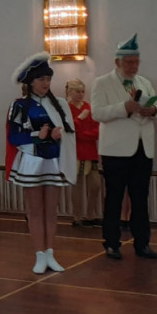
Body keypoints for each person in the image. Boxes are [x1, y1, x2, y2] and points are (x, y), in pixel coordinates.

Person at [91, 34, 157, 260]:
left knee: (141, 198)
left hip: (143, 149)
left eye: (136, 62)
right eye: (129, 62)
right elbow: (97, 113)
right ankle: (112, 243)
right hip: (115, 151)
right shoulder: (102, 83)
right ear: (117, 63)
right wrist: (124, 107)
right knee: (114, 197)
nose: (133, 66)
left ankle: (142, 243)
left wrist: (153, 111)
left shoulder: (144, 82)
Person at [7, 54, 77, 274]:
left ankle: (50, 253)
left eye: (48, 78)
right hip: (32, 162)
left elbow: (70, 134)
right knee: (35, 211)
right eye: (41, 79)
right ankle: (39, 254)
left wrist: (59, 135)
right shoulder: (19, 106)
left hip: (54, 162)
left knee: (51, 211)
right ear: (31, 82)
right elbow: (14, 137)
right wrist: (40, 134)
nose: (46, 83)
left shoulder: (60, 105)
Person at [66, 79, 101, 227]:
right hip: (76, 152)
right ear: (70, 92)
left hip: (90, 151)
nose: (80, 95)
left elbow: (97, 130)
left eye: (82, 92)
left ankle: (90, 214)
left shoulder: (89, 108)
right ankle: (77, 216)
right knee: (78, 184)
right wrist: (80, 121)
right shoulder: (67, 109)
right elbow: (70, 130)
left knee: (95, 184)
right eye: (77, 91)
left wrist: (83, 133)